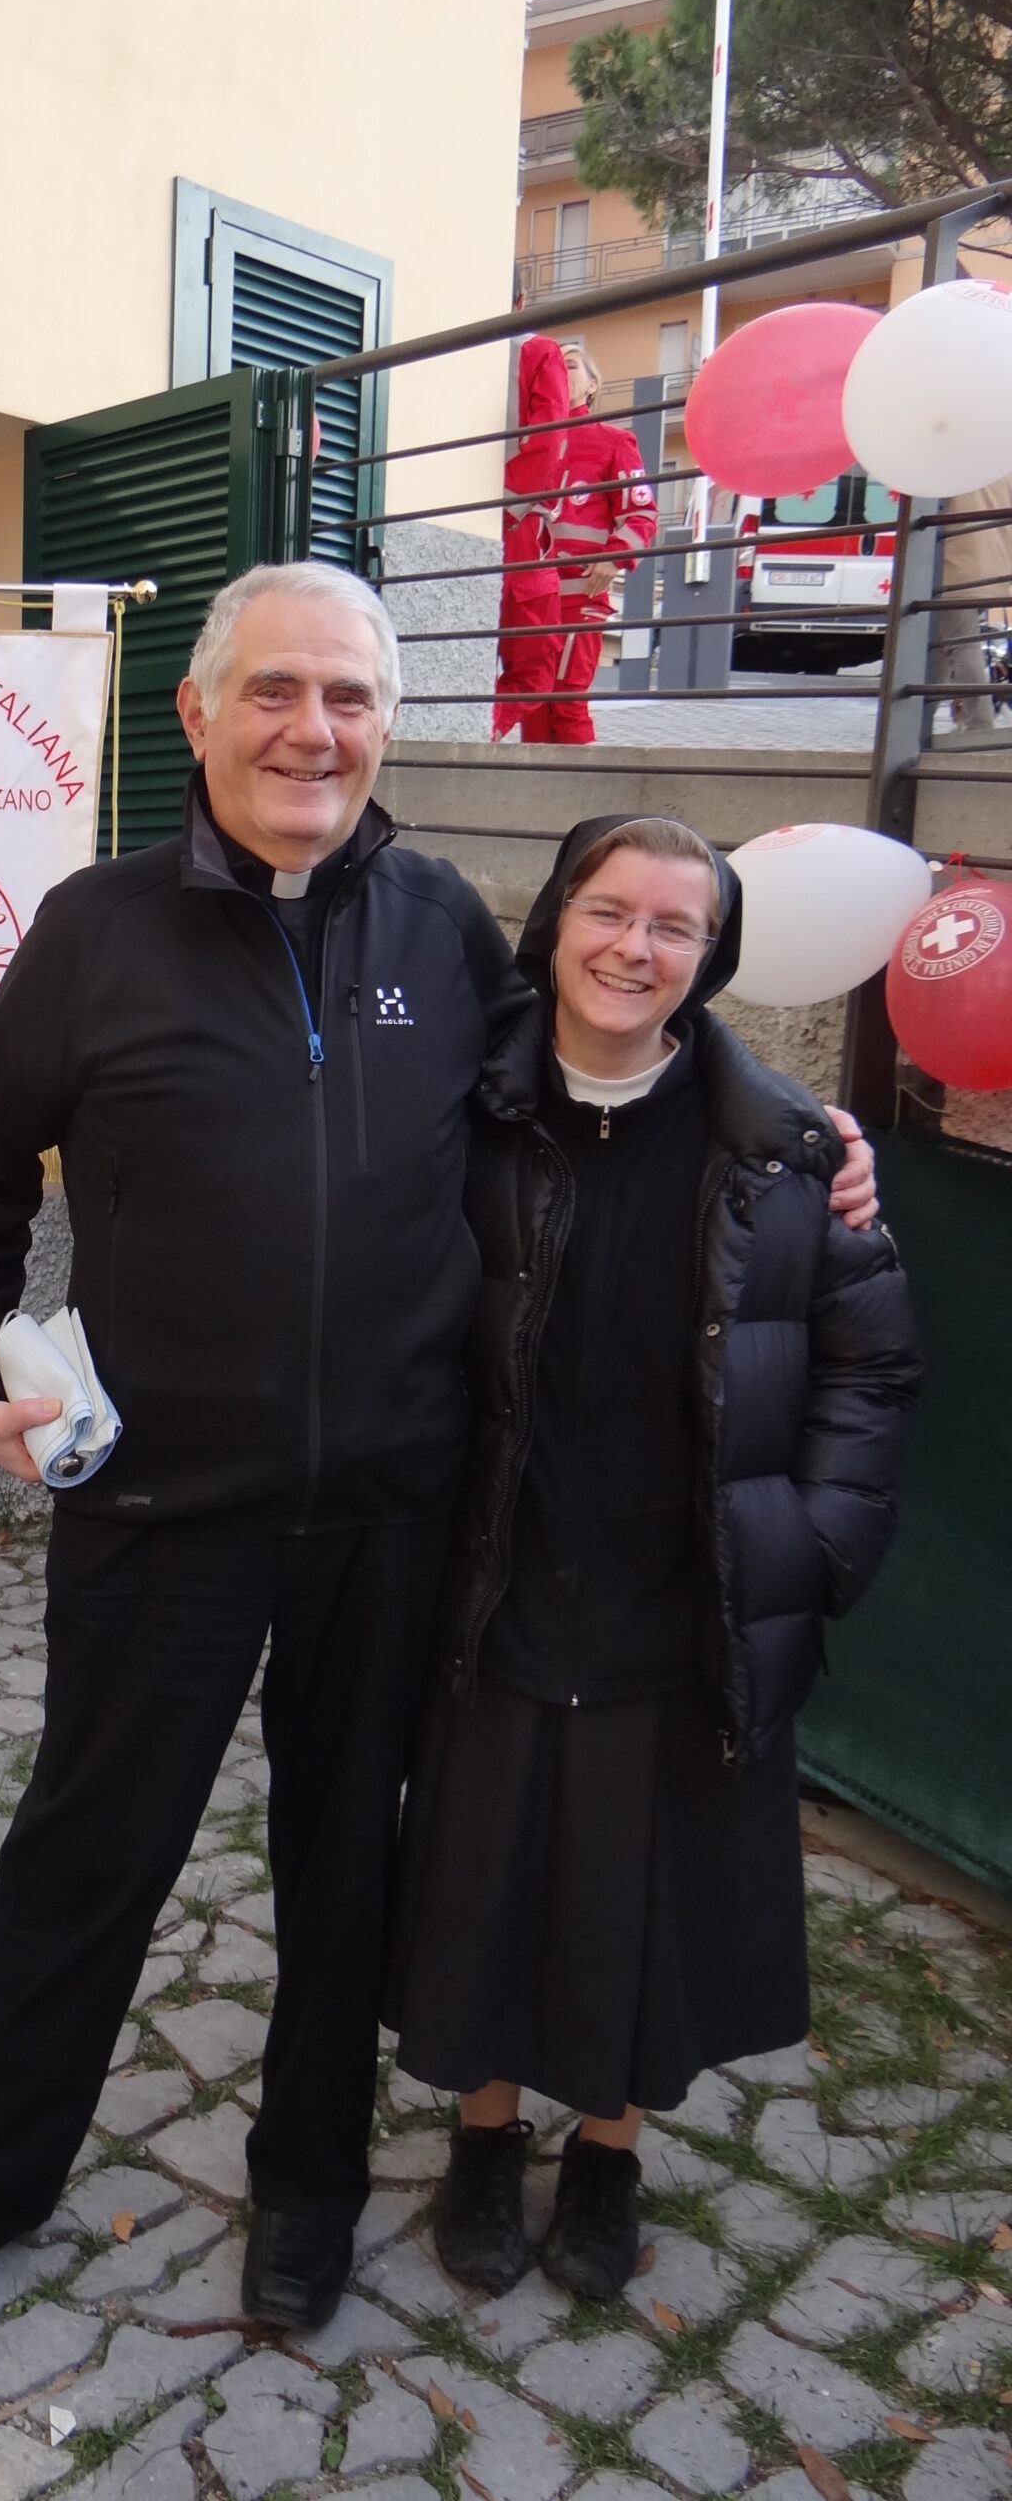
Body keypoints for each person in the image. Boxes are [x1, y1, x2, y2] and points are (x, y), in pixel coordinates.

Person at [0, 566, 878, 2337]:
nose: (313, 730)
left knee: (347, 1872)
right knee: (88, 1860)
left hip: (398, 1510)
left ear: (388, 724)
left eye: (350, 698)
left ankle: (306, 2189)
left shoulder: (443, 925)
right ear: (198, 712)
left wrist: (799, 1124)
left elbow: (599, 1063)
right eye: (277, 692)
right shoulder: (91, 932)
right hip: (157, 1509)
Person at [383, 813, 919, 2302]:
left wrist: (808, 1547)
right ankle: (486, 2134)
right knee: (488, 1866)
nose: (635, 946)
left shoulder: (793, 1153)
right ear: (555, 923)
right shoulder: (462, 1115)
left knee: (641, 1880)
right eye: (609, 912)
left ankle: (607, 2148)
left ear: (711, 958)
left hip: (685, 1586)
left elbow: (868, 1375)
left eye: (674, 927)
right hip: (497, 1567)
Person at [521, 344, 657, 746]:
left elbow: (642, 512)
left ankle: (584, 790)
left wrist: (613, 558)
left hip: (580, 595)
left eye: (572, 364)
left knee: (567, 702)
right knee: (530, 701)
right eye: (555, 365)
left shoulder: (614, 441)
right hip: (531, 597)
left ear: (593, 386)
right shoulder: (529, 442)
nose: (562, 370)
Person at [492, 332, 571, 741]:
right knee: (537, 669)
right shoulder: (535, 350)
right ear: (521, 301)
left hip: (464, 513)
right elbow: (549, 439)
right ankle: (480, 729)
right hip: (517, 527)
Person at [929, 472, 1012, 733]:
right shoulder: (1001, 470)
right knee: (940, 649)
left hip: (954, 568)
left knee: (960, 646)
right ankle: (916, 717)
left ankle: (980, 724)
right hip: (992, 568)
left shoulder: (954, 471)